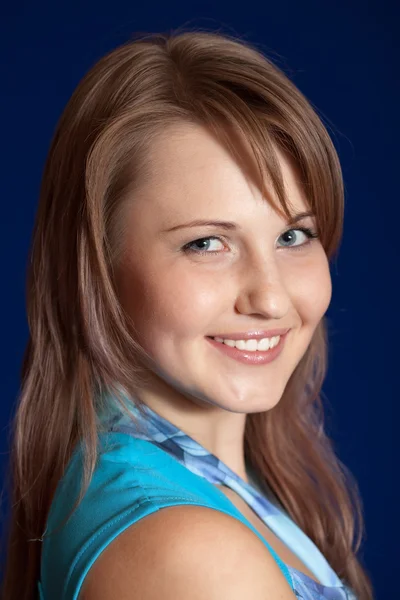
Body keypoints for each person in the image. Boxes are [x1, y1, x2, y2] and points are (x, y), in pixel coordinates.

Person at [0, 29, 374, 600]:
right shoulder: (192, 555)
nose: (270, 299)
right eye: (206, 244)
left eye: (294, 234)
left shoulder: (168, 481)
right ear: (97, 266)